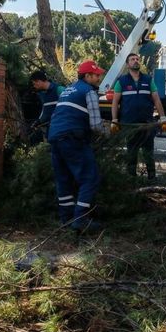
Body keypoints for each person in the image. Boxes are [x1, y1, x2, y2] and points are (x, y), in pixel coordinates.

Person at [47, 60, 109, 232]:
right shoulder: (89, 91)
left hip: (55, 137)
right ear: (87, 76)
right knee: (90, 177)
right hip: (73, 139)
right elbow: (96, 125)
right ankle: (81, 219)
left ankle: (66, 219)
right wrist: (109, 132)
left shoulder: (68, 90)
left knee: (64, 179)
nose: (99, 78)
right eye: (96, 75)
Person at [110, 53, 166, 179]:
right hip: (129, 124)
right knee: (131, 153)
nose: (136, 61)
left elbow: (156, 99)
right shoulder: (121, 81)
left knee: (148, 153)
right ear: (128, 64)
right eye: (132, 59)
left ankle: (152, 178)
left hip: (147, 123)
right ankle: (131, 179)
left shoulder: (148, 80)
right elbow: (115, 102)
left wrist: (163, 118)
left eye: (137, 59)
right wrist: (114, 120)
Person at [29, 70, 64, 141]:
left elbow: (69, 108)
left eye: (34, 84)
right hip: (51, 129)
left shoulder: (59, 89)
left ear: (39, 81)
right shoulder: (42, 94)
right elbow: (45, 110)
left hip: (62, 128)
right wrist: (38, 121)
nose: (34, 86)